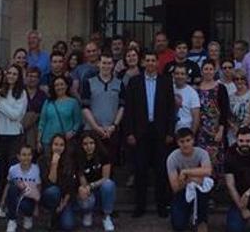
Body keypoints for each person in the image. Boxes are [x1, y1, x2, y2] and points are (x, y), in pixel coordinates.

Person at [124, 50, 177, 218]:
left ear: (157, 63)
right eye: (148, 60)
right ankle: (140, 206)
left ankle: (161, 205)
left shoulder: (166, 82)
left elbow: (171, 110)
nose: (151, 63)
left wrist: (170, 131)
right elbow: (129, 110)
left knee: (161, 171)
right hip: (140, 133)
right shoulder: (134, 82)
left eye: (154, 60)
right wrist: (130, 132)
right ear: (143, 62)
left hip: (160, 132)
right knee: (140, 170)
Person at [166, 128, 213, 232]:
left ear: (193, 140)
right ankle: (187, 215)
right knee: (178, 226)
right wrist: (193, 178)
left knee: (203, 189)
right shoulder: (172, 158)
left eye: (188, 140)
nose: (185, 144)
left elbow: (208, 171)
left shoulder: (202, 153)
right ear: (177, 142)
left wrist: (185, 173)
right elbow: (175, 187)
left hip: (200, 191)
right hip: (182, 192)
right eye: (182, 141)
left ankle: (202, 221)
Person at [81, 52, 126, 161]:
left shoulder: (119, 83)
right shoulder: (89, 82)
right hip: (92, 131)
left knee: (111, 163)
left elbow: (122, 107)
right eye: (104, 63)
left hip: (112, 131)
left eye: (109, 63)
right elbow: (85, 108)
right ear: (98, 64)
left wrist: (113, 126)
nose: (106, 66)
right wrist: (96, 127)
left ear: (113, 65)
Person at [0, 64, 29, 201]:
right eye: (9, 73)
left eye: (15, 74)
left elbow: (15, 115)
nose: (11, 76)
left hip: (14, 136)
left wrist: (0, 103)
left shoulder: (22, 93)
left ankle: (11, 200)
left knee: (12, 170)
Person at [195, 59, 230, 183]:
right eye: (206, 69)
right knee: (203, 160)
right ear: (202, 71)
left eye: (210, 69)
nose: (208, 71)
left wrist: (221, 129)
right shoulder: (197, 89)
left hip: (216, 131)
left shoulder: (220, 88)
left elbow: (225, 111)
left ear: (214, 70)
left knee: (217, 160)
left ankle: (216, 190)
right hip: (202, 131)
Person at [76, 131, 117, 231]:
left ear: (96, 143)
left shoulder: (104, 155)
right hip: (87, 190)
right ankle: (88, 212)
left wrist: (91, 186)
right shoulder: (78, 158)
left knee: (108, 184)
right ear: (81, 145)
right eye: (85, 144)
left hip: (100, 188)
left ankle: (106, 216)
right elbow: (83, 182)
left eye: (91, 143)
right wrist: (87, 189)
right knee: (83, 191)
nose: (88, 146)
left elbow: (105, 177)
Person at [39, 134, 76, 230]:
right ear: (51, 145)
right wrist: (54, 164)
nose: (58, 147)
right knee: (53, 190)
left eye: (61, 145)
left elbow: (71, 186)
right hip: (49, 196)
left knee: (68, 225)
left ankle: (58, 215)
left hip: (64, 198)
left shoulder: (70, 162)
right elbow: (50, 182)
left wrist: (63, 203)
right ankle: (51, 215)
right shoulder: (42, 160)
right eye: (56, 144)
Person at [39, 75, 82, 152]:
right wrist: (38, 140)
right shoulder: (48, 102)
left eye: (62, 84)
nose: (59, 87)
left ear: (66, 86)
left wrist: (73, 132)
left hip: (65, 140)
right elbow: (42, 122)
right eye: (57, 85)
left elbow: (78, 121)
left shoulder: (73, 102)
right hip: (48, 140)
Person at [3, 145, 40, 232]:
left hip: (29, 198)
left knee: (27, 205)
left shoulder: (36, 169)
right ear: (18, 156)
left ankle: (28, 216)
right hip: (16, 196)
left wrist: (37, 207)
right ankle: (12, 220)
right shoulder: (13, 169)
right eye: (23, 155)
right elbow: (8, 185)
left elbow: (38, 187)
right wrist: (2, 201)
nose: (26, 157)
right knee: (12, 187)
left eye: (29, 155)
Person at [227, 68, 250, 145]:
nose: (239, 81)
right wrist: (233, 126)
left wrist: (242, 127)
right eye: (236, 79)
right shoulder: (230, 96)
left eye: (242, 79)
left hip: (248, 130)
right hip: (233, 131)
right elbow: (228, 114)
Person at [23, 67, 47, 154]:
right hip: (20, 129)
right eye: (29, 76)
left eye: (34, 76)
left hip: (35, 131)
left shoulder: (43, 95)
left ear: (38, 79)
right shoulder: (20, 92)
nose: (31, 79)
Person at [173, 64, 201, 134]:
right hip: (170, 133)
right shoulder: (168, 89)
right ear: (173, 75)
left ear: (187, 76)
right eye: (177, 73)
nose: (179, 76)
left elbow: (196, 118)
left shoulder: (192, 93)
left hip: (186, 133)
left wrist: (192, 135)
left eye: (182, 74)